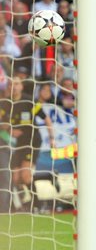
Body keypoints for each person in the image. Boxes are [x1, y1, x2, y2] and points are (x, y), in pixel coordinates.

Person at [0, 77, 55, 212]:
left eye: (17, 83)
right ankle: (24, 201)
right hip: (18, 143)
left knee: (25, 175)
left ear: (21, 86)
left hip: (32, 140)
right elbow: (2, 123)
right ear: (8, 87)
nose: (14, 86)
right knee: (15, 177)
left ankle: (38, 205)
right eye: (11, 84)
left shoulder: (29, 100)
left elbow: (46, 118)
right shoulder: (5, 103)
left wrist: (52, 138)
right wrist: (9, 129)